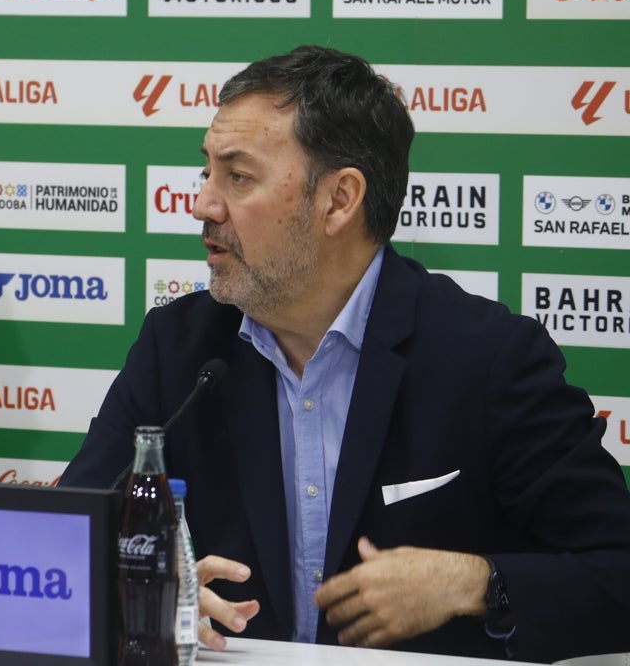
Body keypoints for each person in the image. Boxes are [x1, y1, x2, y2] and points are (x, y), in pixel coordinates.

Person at [60, 46, 630, 662]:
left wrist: (476, 583)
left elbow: (616, 572)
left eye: (238, 176)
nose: (203, 204)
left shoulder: (489, 359)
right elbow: (61, 541)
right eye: (207, 172)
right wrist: (131, 589)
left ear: (339, 200)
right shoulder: (177, 349)